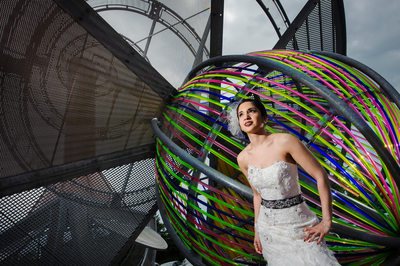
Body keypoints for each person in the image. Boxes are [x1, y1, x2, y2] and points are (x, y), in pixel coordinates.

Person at [228, 96, 340, 265]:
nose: (246, 117)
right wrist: (257, 231)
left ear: (264, 117)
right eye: (241, 114)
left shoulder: (285, 141)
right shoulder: (242, 158)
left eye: (252, 111)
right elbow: (257, 196)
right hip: (270, 232)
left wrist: (326, 221)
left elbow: (320, 175)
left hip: (300, 226)